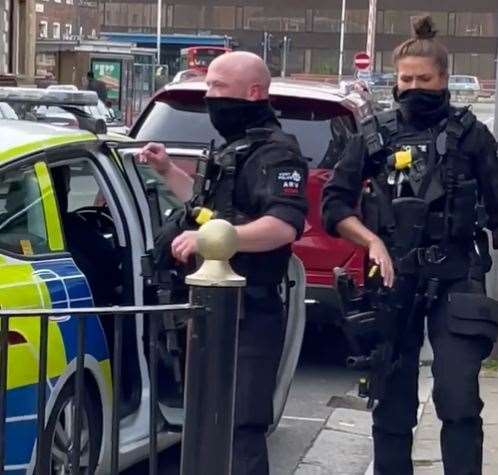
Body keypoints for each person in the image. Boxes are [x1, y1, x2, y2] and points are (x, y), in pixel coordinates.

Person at [322, 15, 498, 475]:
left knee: (458, 398)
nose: (414, 86)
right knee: (391, 397)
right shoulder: (374, 134)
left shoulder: (472, 136)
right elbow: (335, 205)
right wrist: (372, 240)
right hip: (392, 278)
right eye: (406, 79)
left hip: (456, 276)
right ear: (394, 81)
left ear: (444, 80)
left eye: (424, 79)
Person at [137, 51, 308, 474]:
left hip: (249, 311)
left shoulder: (277, 153)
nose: (209, 96)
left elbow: (284, 226)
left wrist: (215, 239)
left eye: (218, 87)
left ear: (253, 92)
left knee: (239, 430)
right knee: (207, 424)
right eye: (208, 86)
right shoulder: (236, 148)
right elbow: (205, 208)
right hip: (211, 310)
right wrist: (166, 170)